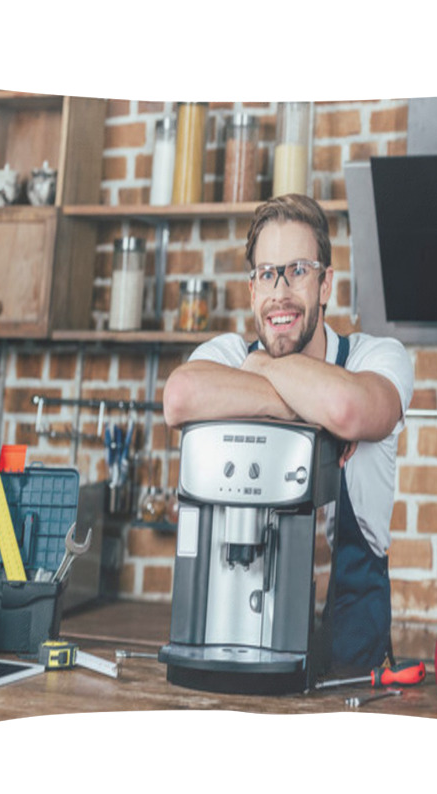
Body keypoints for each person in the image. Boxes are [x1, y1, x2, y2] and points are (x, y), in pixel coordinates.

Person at [163, 193, 414, 670]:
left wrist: (259, 374)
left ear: (325, 285)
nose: (280, 291)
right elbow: (180, 397)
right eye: (267, 273)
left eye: (298, 270)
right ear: (252, 290)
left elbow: (347, 406)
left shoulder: (375, 359)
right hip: (230, 649)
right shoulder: (229, 352)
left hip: (351, 673)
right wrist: (308, 409)